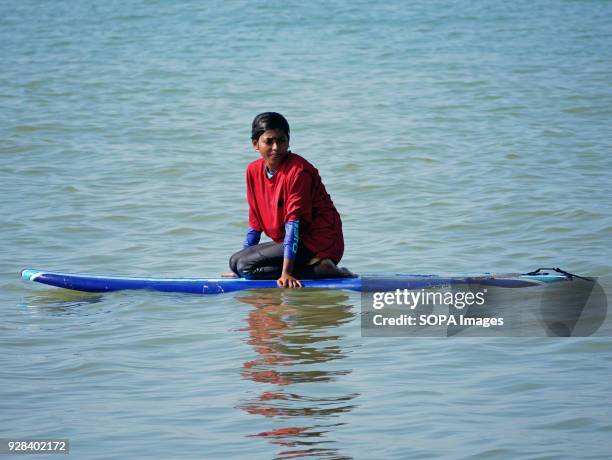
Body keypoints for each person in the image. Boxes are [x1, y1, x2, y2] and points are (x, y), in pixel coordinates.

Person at [228, 112, 353, 288]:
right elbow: (255, 222)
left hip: (319, 240)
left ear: (288, 141)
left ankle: (322, 269)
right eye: (269, 141)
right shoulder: (253, 171)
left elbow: (293, 223)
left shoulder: (298, 171)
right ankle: (316, 268)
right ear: (255, 144)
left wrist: (286, 272)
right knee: (235, 261)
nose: (276, 147)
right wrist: (237, 273)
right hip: (295, 240)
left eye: (281, 140)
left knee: (246, 267)